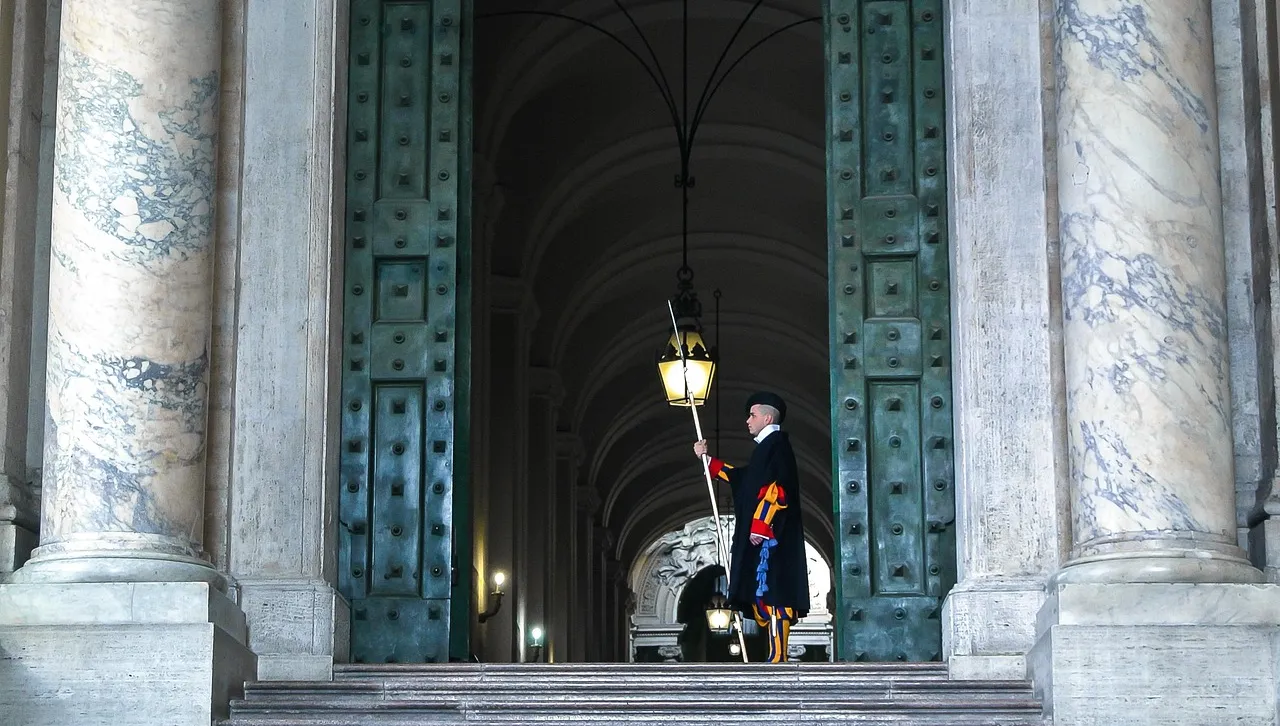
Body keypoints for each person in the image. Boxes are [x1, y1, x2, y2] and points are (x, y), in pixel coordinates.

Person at [693, 391, 810, 663]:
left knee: (775, 595)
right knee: (765, 596)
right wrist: (707, 461)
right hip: (764, 538)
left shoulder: (777, 445)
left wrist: (760, 525)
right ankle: (775, 653)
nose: (747, 420)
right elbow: (744, 480)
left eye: (752, 415)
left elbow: (776, 489)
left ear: (767, 417)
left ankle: (778, 655)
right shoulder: (766, 448)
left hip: (772, 538)